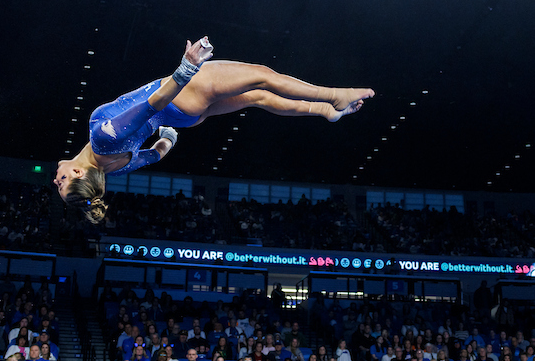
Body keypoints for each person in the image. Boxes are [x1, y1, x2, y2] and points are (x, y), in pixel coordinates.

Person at [56, 37, 373, 223]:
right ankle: (334, 96)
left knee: (258, 98)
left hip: (185, 116)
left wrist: (168, 137)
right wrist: (186, 69)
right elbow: (152, 104)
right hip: (182, 95)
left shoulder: (112, 169)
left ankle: (325, 111)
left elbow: (154, 155)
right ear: (80, 174)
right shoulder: (102, 138)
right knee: (263, 76)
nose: (56, 179)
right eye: (63, 183)